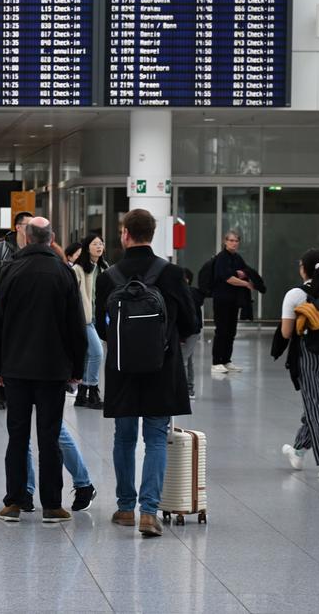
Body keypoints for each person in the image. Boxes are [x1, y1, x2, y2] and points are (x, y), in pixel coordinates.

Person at [94, 209, 196, 538]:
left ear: (125, 234)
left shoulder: (108, 277)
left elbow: (100, 327)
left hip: (122, 368)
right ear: (152, 234)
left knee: (124, 438)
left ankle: (125, 507)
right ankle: (149, 513)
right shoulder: (172, 273)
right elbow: (192, 324)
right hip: (162, 367)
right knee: (155, 439)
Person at [0, 217, 86, 524]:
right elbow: (75, 325)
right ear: (51, 238)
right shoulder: (64, 273)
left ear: (27, 238)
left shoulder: (10, 271)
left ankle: (15, 501)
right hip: (53, 370)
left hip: (15, 369)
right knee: (50, 436)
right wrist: (76, 367)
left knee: (17, 436)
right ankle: (52, 505)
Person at [277, 249, 319, 474]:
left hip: (309, 353)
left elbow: (286, 333)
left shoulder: (295, 294)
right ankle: (298, 450)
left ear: (304, 268)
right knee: (316, 406)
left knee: (315, 405)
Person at [206, 230, 259, 374]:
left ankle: (226, 360)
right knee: (222, 330)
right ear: (225, 241)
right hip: (221, 300)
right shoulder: (221, 258)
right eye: (231, 240)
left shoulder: (237, 258)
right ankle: (216, 362)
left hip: (233, 300)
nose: (234, 243)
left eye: (236, 241)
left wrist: (246, 275)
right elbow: (228, 278)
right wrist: (246, 284)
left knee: (231, 331)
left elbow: (245, 271)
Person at [72, 234, 110, 409]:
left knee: (89, 356)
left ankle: (82, 394)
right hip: (84, 319)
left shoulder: (104, 268)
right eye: (95, 244)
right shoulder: (78, 269)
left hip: (98, 318)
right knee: (97, 353)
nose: (99, 246)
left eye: (101, 243)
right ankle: (92, 390)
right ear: (87, 247)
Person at [184, 268, 206, 400]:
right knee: (188, 359)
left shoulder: (185, 293)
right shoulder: (195, 293)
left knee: (183, 360)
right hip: (194, 330)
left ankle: (186, 390)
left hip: (188, 331)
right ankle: (189, 388)